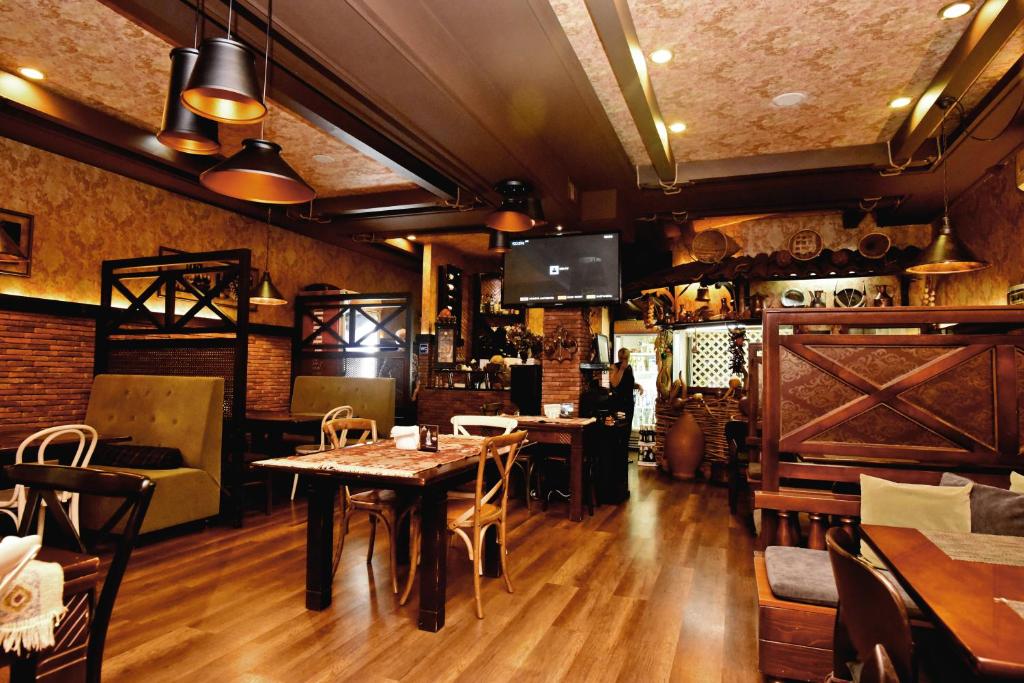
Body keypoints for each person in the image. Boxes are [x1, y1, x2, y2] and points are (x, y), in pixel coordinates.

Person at [610, 347, 643, 432]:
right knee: (620, 427)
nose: (624, 360)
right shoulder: (614, 367)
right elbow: (614, 384)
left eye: (626, 358)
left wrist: (638, 386)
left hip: (629, 403)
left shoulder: (629, 368)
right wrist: (621, 369)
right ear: (619, 357)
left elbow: (629, 383)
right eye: (622, 358)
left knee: (628, 428)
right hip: (619, 404)